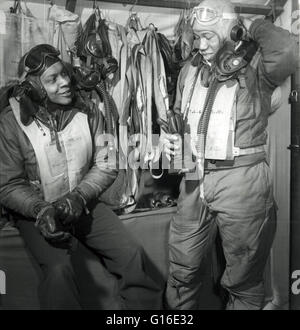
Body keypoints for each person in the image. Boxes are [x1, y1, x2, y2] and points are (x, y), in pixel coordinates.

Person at [0, 44, 163, 310]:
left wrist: (79, 196)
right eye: (52, 80)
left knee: (131, 256)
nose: (65, 82)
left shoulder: (88, 110)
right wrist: (41, 210)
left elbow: (108, 162)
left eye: (63, 73)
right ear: (33, 88)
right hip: (39, 212)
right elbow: (7, 184)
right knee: (58, 272)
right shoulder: (10, 122)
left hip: (82, 202)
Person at [162, 0, 297, 310]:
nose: (201, 44)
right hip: (193, 179)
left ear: (229, 31)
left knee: (244, 278)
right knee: (181, 270)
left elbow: (289, 51)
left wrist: (251, 27)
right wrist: (172, 140)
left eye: (209, 35)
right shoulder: (189, 70)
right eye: (197, 36)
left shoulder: (257, 67)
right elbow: (181, 115)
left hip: (242, 181)